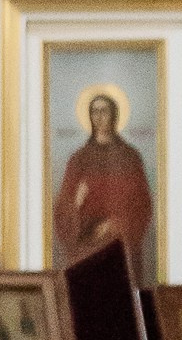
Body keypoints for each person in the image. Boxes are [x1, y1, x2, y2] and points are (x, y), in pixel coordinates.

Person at [53, 90, 155, 281]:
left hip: (122, 249)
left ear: (114, 115)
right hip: (86, 250)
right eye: (94, 111)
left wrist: (116, 225)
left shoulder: (131, 158)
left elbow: (143, 206)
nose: (99, 117)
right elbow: (62, 212)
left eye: (104, 111)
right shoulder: (78, 160)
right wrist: (75, 202)